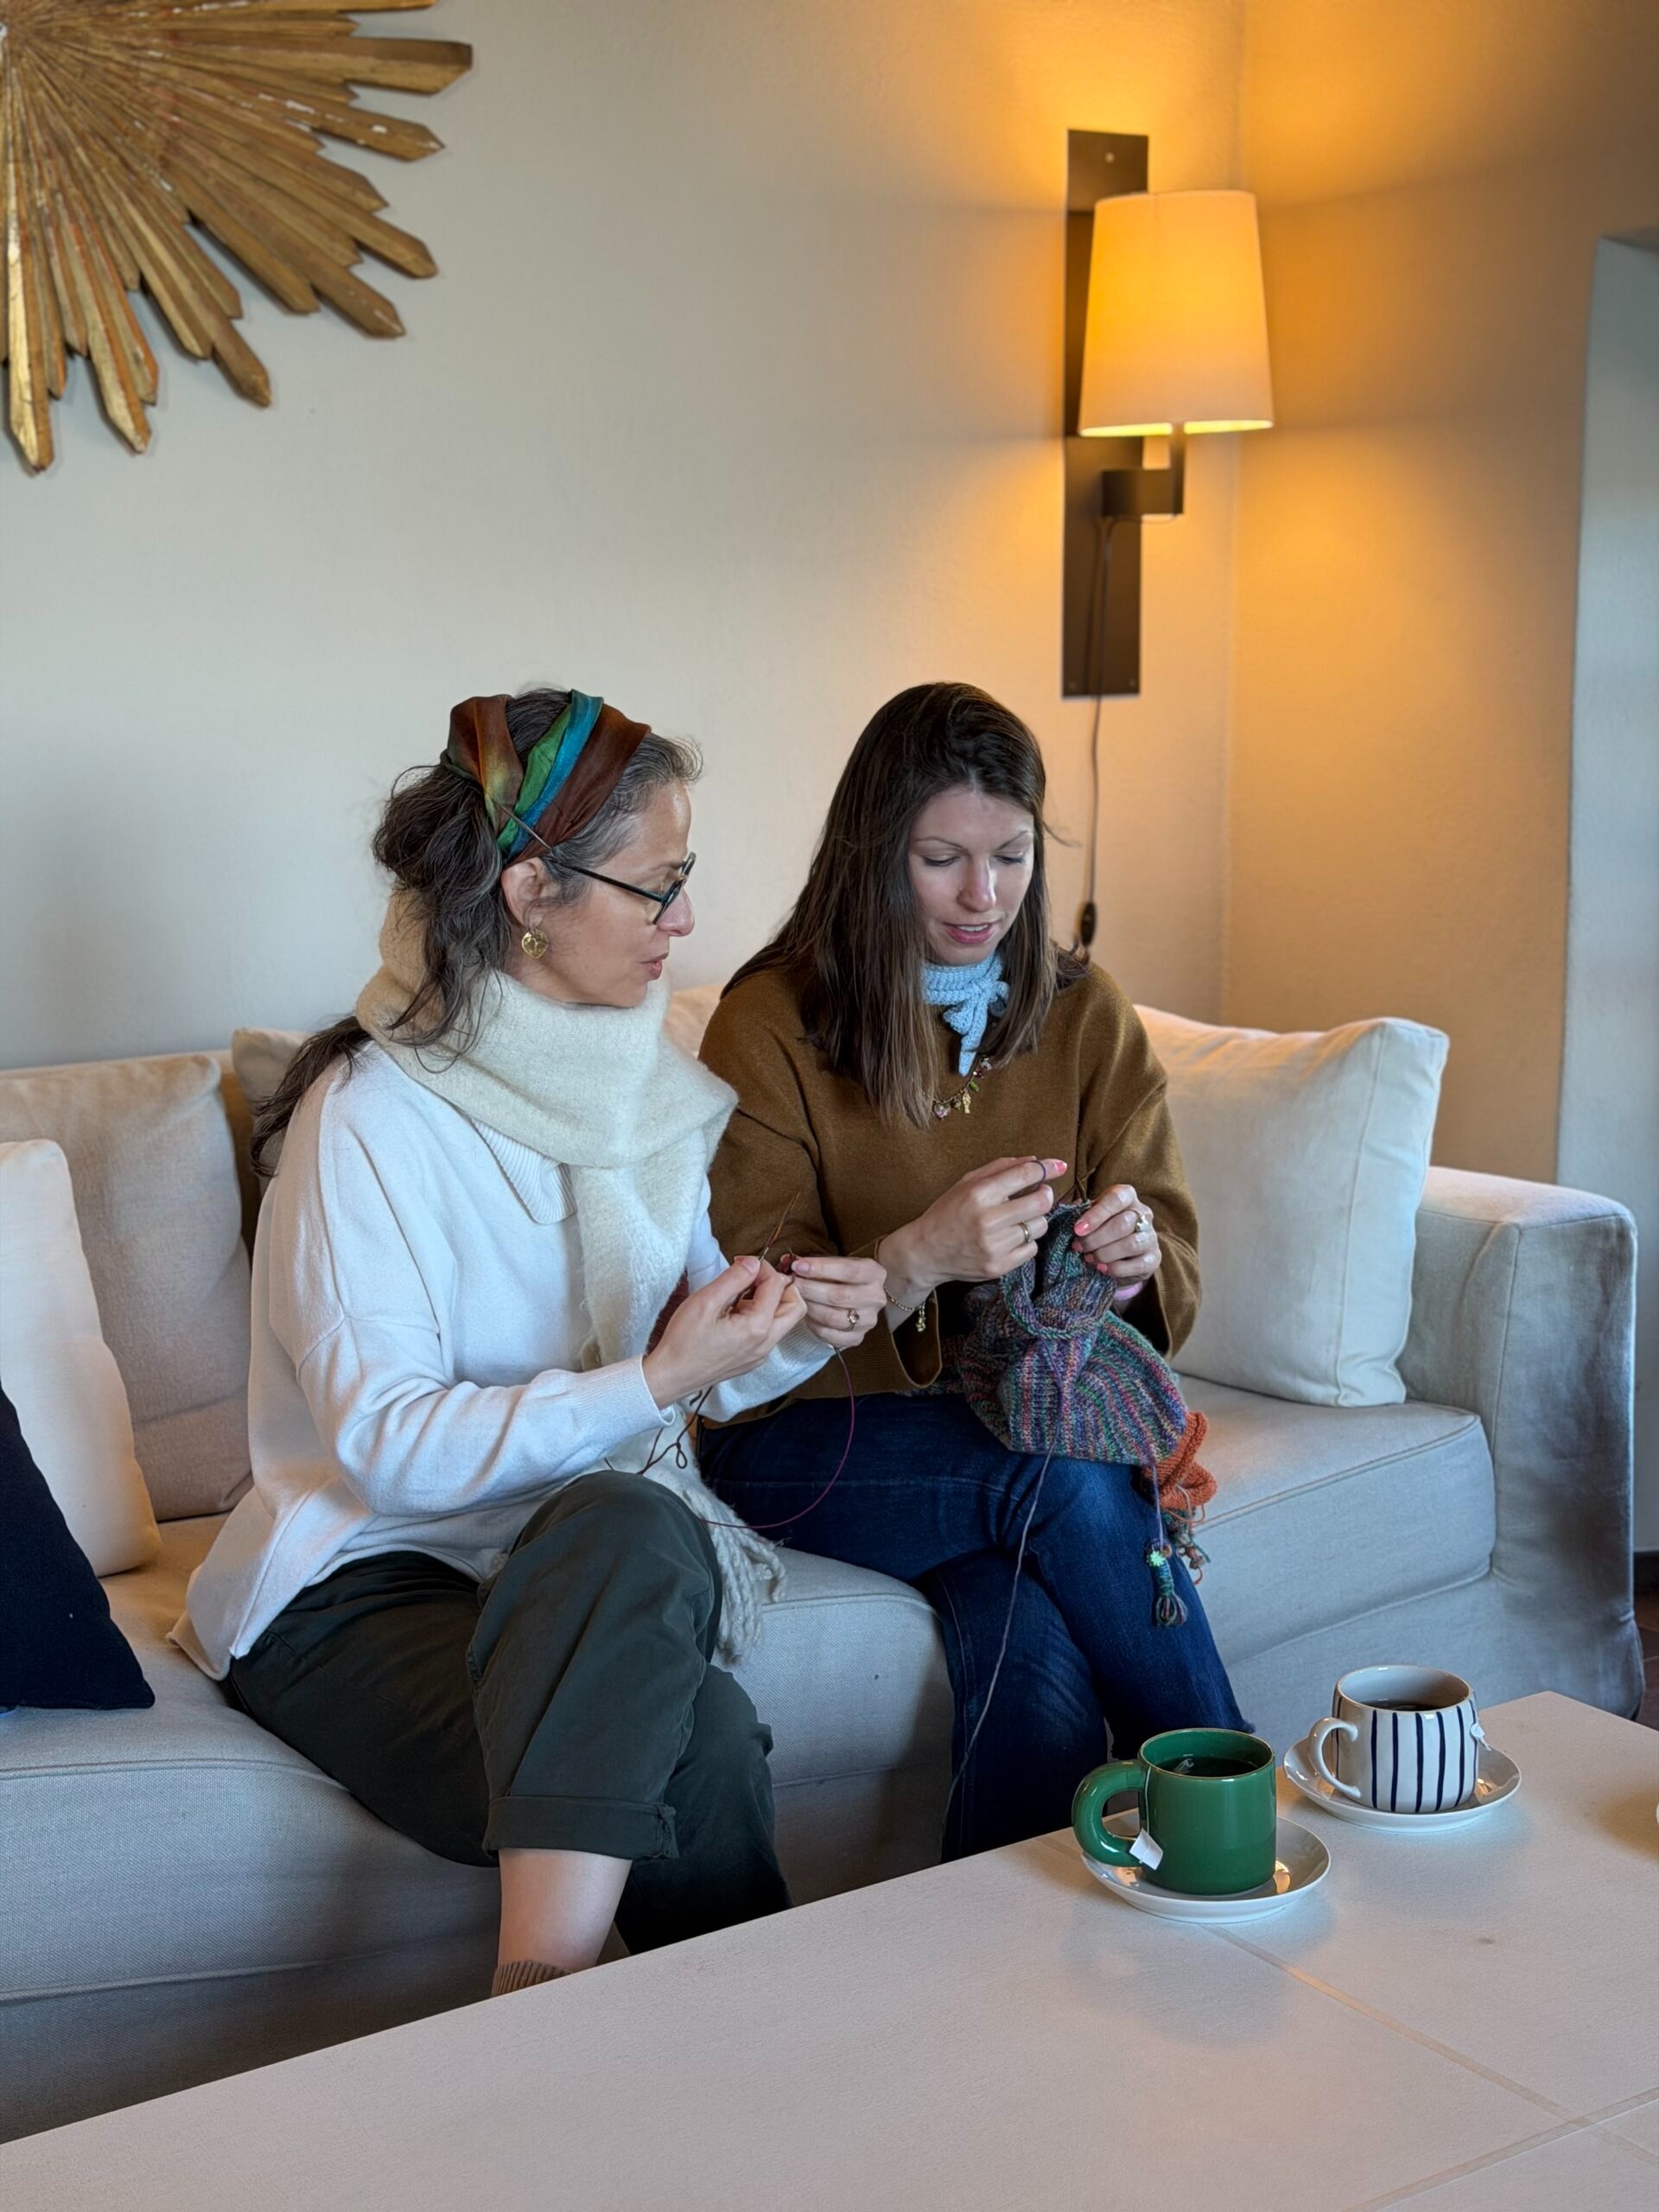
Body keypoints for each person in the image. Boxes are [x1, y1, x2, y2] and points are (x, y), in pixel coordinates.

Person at [174, 686, 884, 1993]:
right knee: (682, 1680)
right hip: (358, 1590)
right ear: (529, 894)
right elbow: (390, 1452)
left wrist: (782, 1330)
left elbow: (680, 1373)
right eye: (656, 888)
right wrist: (662, 1375)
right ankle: (582, 2023)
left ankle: (655, 2084)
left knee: (654, 1592)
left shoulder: (637, 1087)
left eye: (688, 879)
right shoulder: (368, 1117)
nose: (687, 923)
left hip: (567, 1579)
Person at [697, 680, 1246, 1858]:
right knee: (1056, 1479)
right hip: (799, 1444)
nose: (983, 897)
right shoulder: (772, 1021)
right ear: (873, 852)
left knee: (1028, 1637)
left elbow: (1176, 1274)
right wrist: (913, 1259)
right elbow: (745, 1329)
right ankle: (1231, 1809)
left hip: (1009, 1426)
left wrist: (1134, 1262)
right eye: (943, 857)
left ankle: (996, 1969)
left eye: (1010, 856)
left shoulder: (1083, 1014)